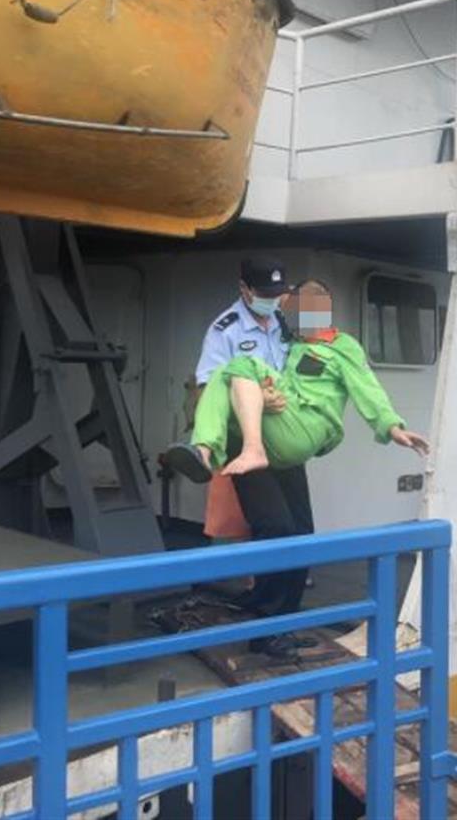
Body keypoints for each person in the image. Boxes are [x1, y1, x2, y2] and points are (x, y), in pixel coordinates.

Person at [167, 279, 429, 480]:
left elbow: (367, 387)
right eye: (304, 305)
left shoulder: (343, 346)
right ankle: (203, 451)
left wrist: (393, 427)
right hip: (284, 419)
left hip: (309, 426)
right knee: (224, 373)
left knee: (242, 363)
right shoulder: (291, 343)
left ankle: (252, 450)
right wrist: (262, 395)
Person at [190, 256, 312, 658]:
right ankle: (265, 632)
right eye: (265, 294)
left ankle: (285, 623)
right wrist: (257, 397)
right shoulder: (224, 331)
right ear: (244, 290)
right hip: (245, 446)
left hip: (284, 444)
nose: (273, 301)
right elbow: (207, 390)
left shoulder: (282, 324)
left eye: (279, 294)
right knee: (275, 528)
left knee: (302, 534)